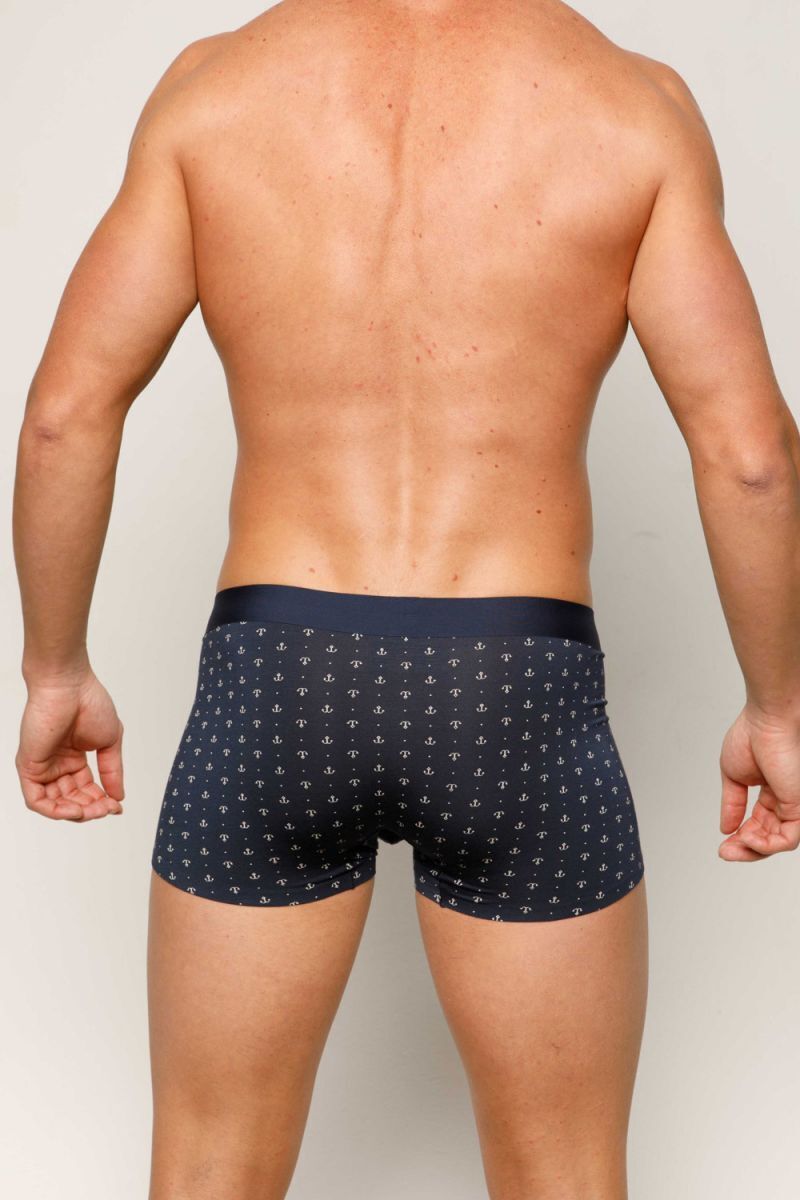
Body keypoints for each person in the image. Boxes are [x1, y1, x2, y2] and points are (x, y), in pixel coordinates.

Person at [12, 1, 800, 1197]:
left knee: (209, 1165)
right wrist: (776, 706)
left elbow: (64, 417)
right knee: (564, 1173)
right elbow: (749, 457)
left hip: (276, 674)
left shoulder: (213, 88)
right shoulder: (631, 103)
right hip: (514, 681)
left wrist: (54, 671)